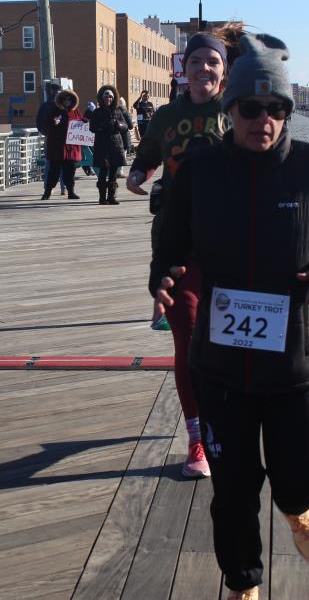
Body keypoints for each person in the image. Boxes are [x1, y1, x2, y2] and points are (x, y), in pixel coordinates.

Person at [151, 33, 309, 599]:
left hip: (298, 361)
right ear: (230, 110)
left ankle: (298, 508)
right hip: (222, 364)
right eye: (250, 108)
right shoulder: (200, 170)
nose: (262, 121)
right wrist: (163, 275)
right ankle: (242, 584)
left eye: (276, 109)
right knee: (233, 490)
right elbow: (169, 241)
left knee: (302, 473)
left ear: (287, 114)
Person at [126, 29, 238, 478]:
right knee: (187, 338)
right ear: (183, 69)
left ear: (224, 71)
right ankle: (198, 437)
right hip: (177, 238)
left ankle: (235, 418)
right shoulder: (168, 115)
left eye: (213, 62)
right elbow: (150, 151)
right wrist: (138, 172)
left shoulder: (236, 110)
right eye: (195, 62)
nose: (203, 69)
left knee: (229, 339)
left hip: (230, 241)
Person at [88, 85, 131, 205]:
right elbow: (92, 127)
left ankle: (111, 197)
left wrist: (119, 125)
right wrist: (102, 127)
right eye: (106, 97)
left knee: (113, 171)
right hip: (102, 144)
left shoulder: (117, 111)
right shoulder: (97, 112)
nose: (108, 99)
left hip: (116, 144)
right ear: (102, 98)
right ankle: (102, 198)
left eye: (111, 97)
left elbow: (126, 126)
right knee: (103, 171)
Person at [41, 89, 83, 200]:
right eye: (65, 99)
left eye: (69, 99)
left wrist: (85, 122)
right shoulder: (54, 111)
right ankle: (47, 192)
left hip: (71, 148)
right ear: (61, 100)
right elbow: (45, 125)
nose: (67, 101)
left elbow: (82, 121)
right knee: (53, 172)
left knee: (70, 172)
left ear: (72, 101)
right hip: (57, 148)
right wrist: (53, 122)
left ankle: (71, 192)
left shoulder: (76, 111)